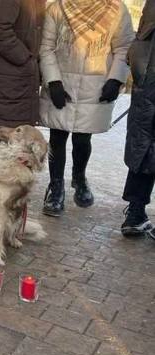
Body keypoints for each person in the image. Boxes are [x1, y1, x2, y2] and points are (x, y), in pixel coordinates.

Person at [40, 0, 135, 217]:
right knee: (58, 136)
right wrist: (53, 81)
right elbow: (46, 47)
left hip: (96, 85)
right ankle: (55, 189)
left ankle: (79, 177)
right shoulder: (57, 8)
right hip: (62, 83)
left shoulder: (116, 9)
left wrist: (115, 79)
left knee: (82, 139)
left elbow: (124, 48)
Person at [0, 0, 46, 132]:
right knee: (1, 141)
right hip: (4, 85)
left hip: (17, 84)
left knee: (15, 141)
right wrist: (26, 60)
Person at [121, 0, 155, 238]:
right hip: (147, 85)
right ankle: (135, 212)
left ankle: (135, 212)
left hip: (147, 86)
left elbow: (136, 48)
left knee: (143, 147)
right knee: (144, 147)